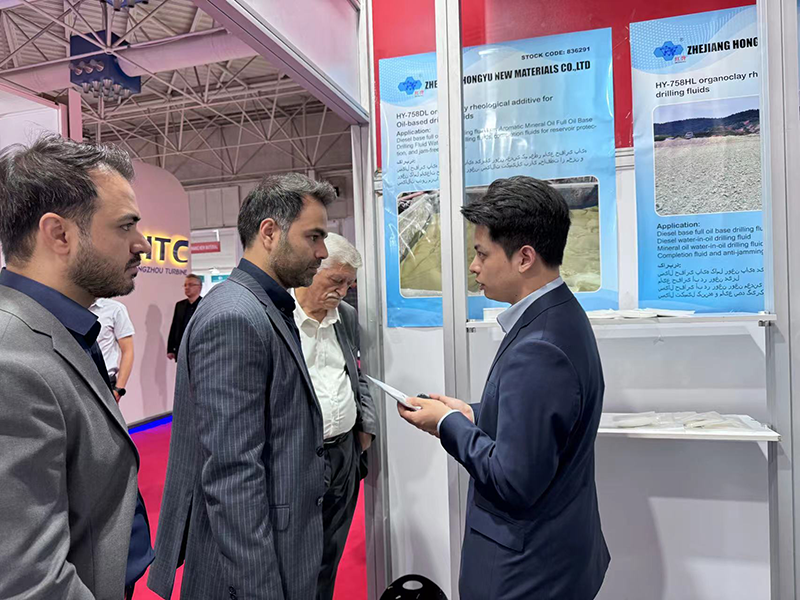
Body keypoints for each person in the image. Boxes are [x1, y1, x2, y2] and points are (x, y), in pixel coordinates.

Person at [398, 176, 610, 600]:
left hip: (525, 572)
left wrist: (449, 425)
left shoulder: (540, 346)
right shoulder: (560, 315)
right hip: (554, 556)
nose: (473, 266)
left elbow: (513, 480)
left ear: (524, 257)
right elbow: (541, 422)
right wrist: (474, 414)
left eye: (482, 253)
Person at [148, 172, 335, 600]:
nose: (322, 252)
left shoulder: (260, 306)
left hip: (280, 547)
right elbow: (233, 475)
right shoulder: (235, 315)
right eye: (314, 236)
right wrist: (260, 591)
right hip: (254, 568)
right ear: (269, 232)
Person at [0, 134, 155, 599]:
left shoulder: (60, 329)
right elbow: (30, 581)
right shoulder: (12, 361)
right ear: (60, 234)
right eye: (125, 226)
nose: (142, 245)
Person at [292, 233, 377, 600]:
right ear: (313, 269)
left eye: (348, 284)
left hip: (344, 454)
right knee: (296, 557)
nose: (343, 291)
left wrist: (365, 428)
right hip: (298, 457)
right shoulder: (279, 317)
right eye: (336, 281)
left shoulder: (346, 316)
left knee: (330, 554)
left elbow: (358, 374)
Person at [89, 297, 135, 402]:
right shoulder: (68, 307)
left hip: (106, 382)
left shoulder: (115, 309)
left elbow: (127, 350)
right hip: (75, 380)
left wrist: (119, 389)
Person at [166, 273, 202, 360]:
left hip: (199, 347)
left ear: (199, 287)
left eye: (190, 285)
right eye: (185, 285)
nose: (187, 287)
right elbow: (174, 326)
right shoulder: (180, 305)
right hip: (182, 348)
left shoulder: (204, 304)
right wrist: (170, 349)